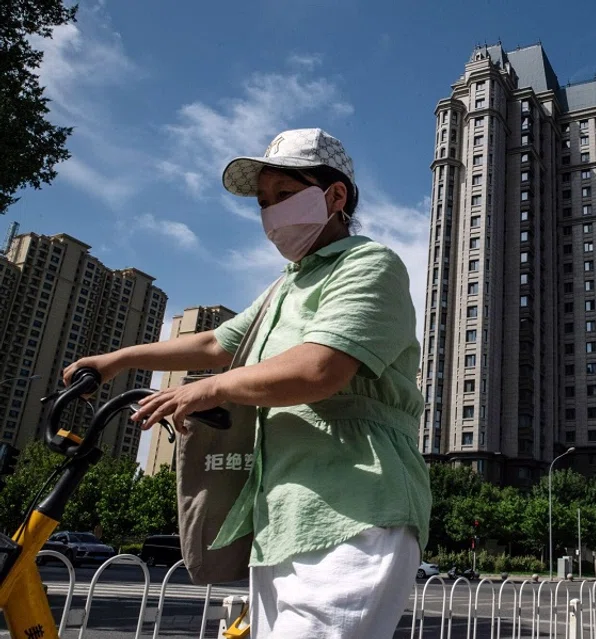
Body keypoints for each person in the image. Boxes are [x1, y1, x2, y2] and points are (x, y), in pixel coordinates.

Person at [63, 128, 431, 638]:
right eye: (263, 203)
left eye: (284, 196)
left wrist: (209, 389)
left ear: (336, 196)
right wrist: (119, 359)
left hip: (353, 507)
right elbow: (218, 343)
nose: (271, 215)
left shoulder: (368, 264)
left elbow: (319, 367)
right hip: (279, 516)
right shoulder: (288, 285)